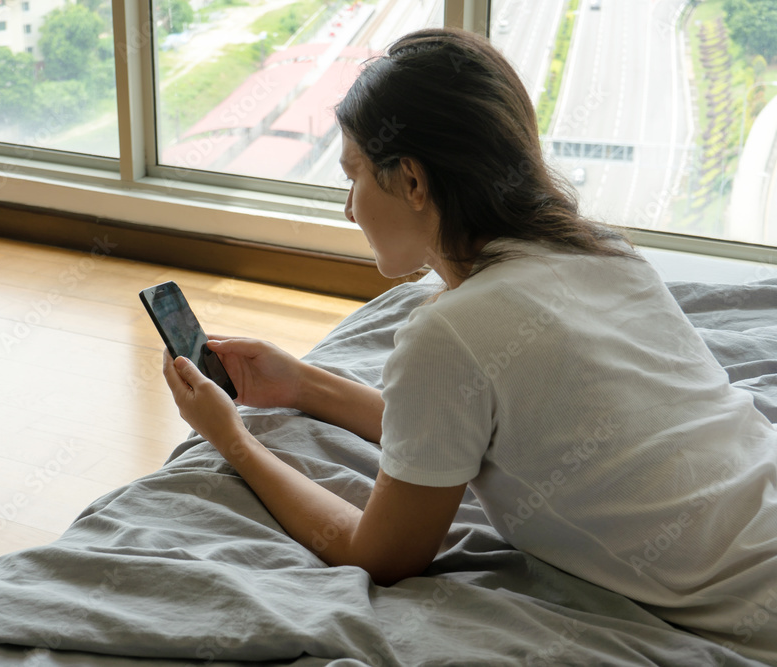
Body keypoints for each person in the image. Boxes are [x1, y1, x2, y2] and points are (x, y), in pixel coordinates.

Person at [161, 27, 777, 663]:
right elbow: (453, 433)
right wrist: (303, 385)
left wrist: (229, 437)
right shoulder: (604, 253)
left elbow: (381, 555)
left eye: (355, 177)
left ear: (413, 183)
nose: (349, 209)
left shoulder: (448, 332)